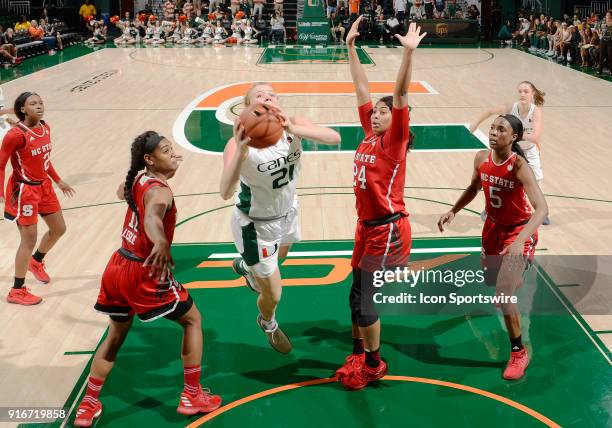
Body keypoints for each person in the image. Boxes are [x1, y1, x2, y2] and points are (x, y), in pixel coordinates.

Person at [73, 132, 222, 427]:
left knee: (116, 336)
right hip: (143, 272)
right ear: (150, 159)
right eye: (167, 150)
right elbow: (153, 216)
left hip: (116, 267)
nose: (174, 153)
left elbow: (122, 193)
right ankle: (192, 395)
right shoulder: (160, 191)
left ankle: (88, 405)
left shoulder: (138, 178)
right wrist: (160, 242)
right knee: (193, 320)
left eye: (172, 148)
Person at [335, 17, 423, 391]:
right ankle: (358, 349)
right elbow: (361, 89)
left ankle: (374, 363)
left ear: (397, 118)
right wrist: (350, 48)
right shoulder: (371, 134)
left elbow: (400, 94)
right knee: (354, 292)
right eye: (375, 112)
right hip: (365, 226)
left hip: (387, 228)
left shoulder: (394, 140)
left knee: (364, 299)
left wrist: (407, 54)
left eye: (383, 111)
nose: (376, 112)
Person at [220, 83, 340, 354]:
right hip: (255, 226)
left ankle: (248, 267)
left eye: (271, 94)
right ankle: (268, 322)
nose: (267, 97)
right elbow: (225, 191)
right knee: (274, 294)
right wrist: (240, 152)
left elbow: (333, 138)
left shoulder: (295, 125)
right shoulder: (238, 143)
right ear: (248, 107)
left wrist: (293, 129)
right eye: (259, 96)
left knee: (282, 254)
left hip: (288, 212)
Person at [438, 115, 548, 380]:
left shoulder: (519, 165)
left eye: (502, 129)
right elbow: (474, 187)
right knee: (490, 280)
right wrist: (454, 210)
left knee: (503, 292)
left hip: (517, 232)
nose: (495, 132)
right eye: (494, 127)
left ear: (513, 138)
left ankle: (518, 352)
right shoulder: (481, 158)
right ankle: (510, 280)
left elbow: (542, 208)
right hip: (492, 229)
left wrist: (521, 239)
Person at [0, 92, 75, 305]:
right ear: (23, 109)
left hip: (45, 187)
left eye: (41, 102)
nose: (39, 106)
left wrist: (58, 181)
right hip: (24, 191)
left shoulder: (45, 127)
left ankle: (37, 261)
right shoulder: (15, 135)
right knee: (28, 240)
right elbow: (1, 164)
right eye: (33, 103)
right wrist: (1, 193)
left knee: (59, 229)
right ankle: (17, 290)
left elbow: (44, 160)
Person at [469, 81, 549, 225]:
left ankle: (540, 212)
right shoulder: (512, 107)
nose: (522, 94)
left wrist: (515, 134)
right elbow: (490, 111)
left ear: (533, 94)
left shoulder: (535, 111)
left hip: (530, 149)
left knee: (536, 179)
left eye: (526, 91)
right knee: (498, 178)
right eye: (520, 91)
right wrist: (476, 123)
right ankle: (489, 209)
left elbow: (536, 137)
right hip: (513, 147)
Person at [596, 10, 612, 76]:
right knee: (601, 56)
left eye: (609, 14)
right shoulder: (602, 22)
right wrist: (599, 34)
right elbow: (597, 28)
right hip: (602, 40)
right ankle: (600, 70)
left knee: (610, 56)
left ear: (611, 15)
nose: (607, 15)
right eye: (606, 14)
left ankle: (611, 71)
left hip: (610, 41)